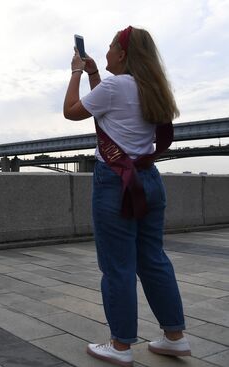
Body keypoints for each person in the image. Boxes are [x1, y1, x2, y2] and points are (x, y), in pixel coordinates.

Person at [63, 26, 191, 366]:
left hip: (115, 184)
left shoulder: (117, 86)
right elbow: (104, 113)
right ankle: (174, 337)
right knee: (153, 259)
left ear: (122, 54)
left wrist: (76, 72)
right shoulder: (151, 88)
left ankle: (120, 346)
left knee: (117, 265)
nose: (104, 54)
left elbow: (73, 110)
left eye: (108, 49)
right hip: (148, 179)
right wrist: (93, 74)